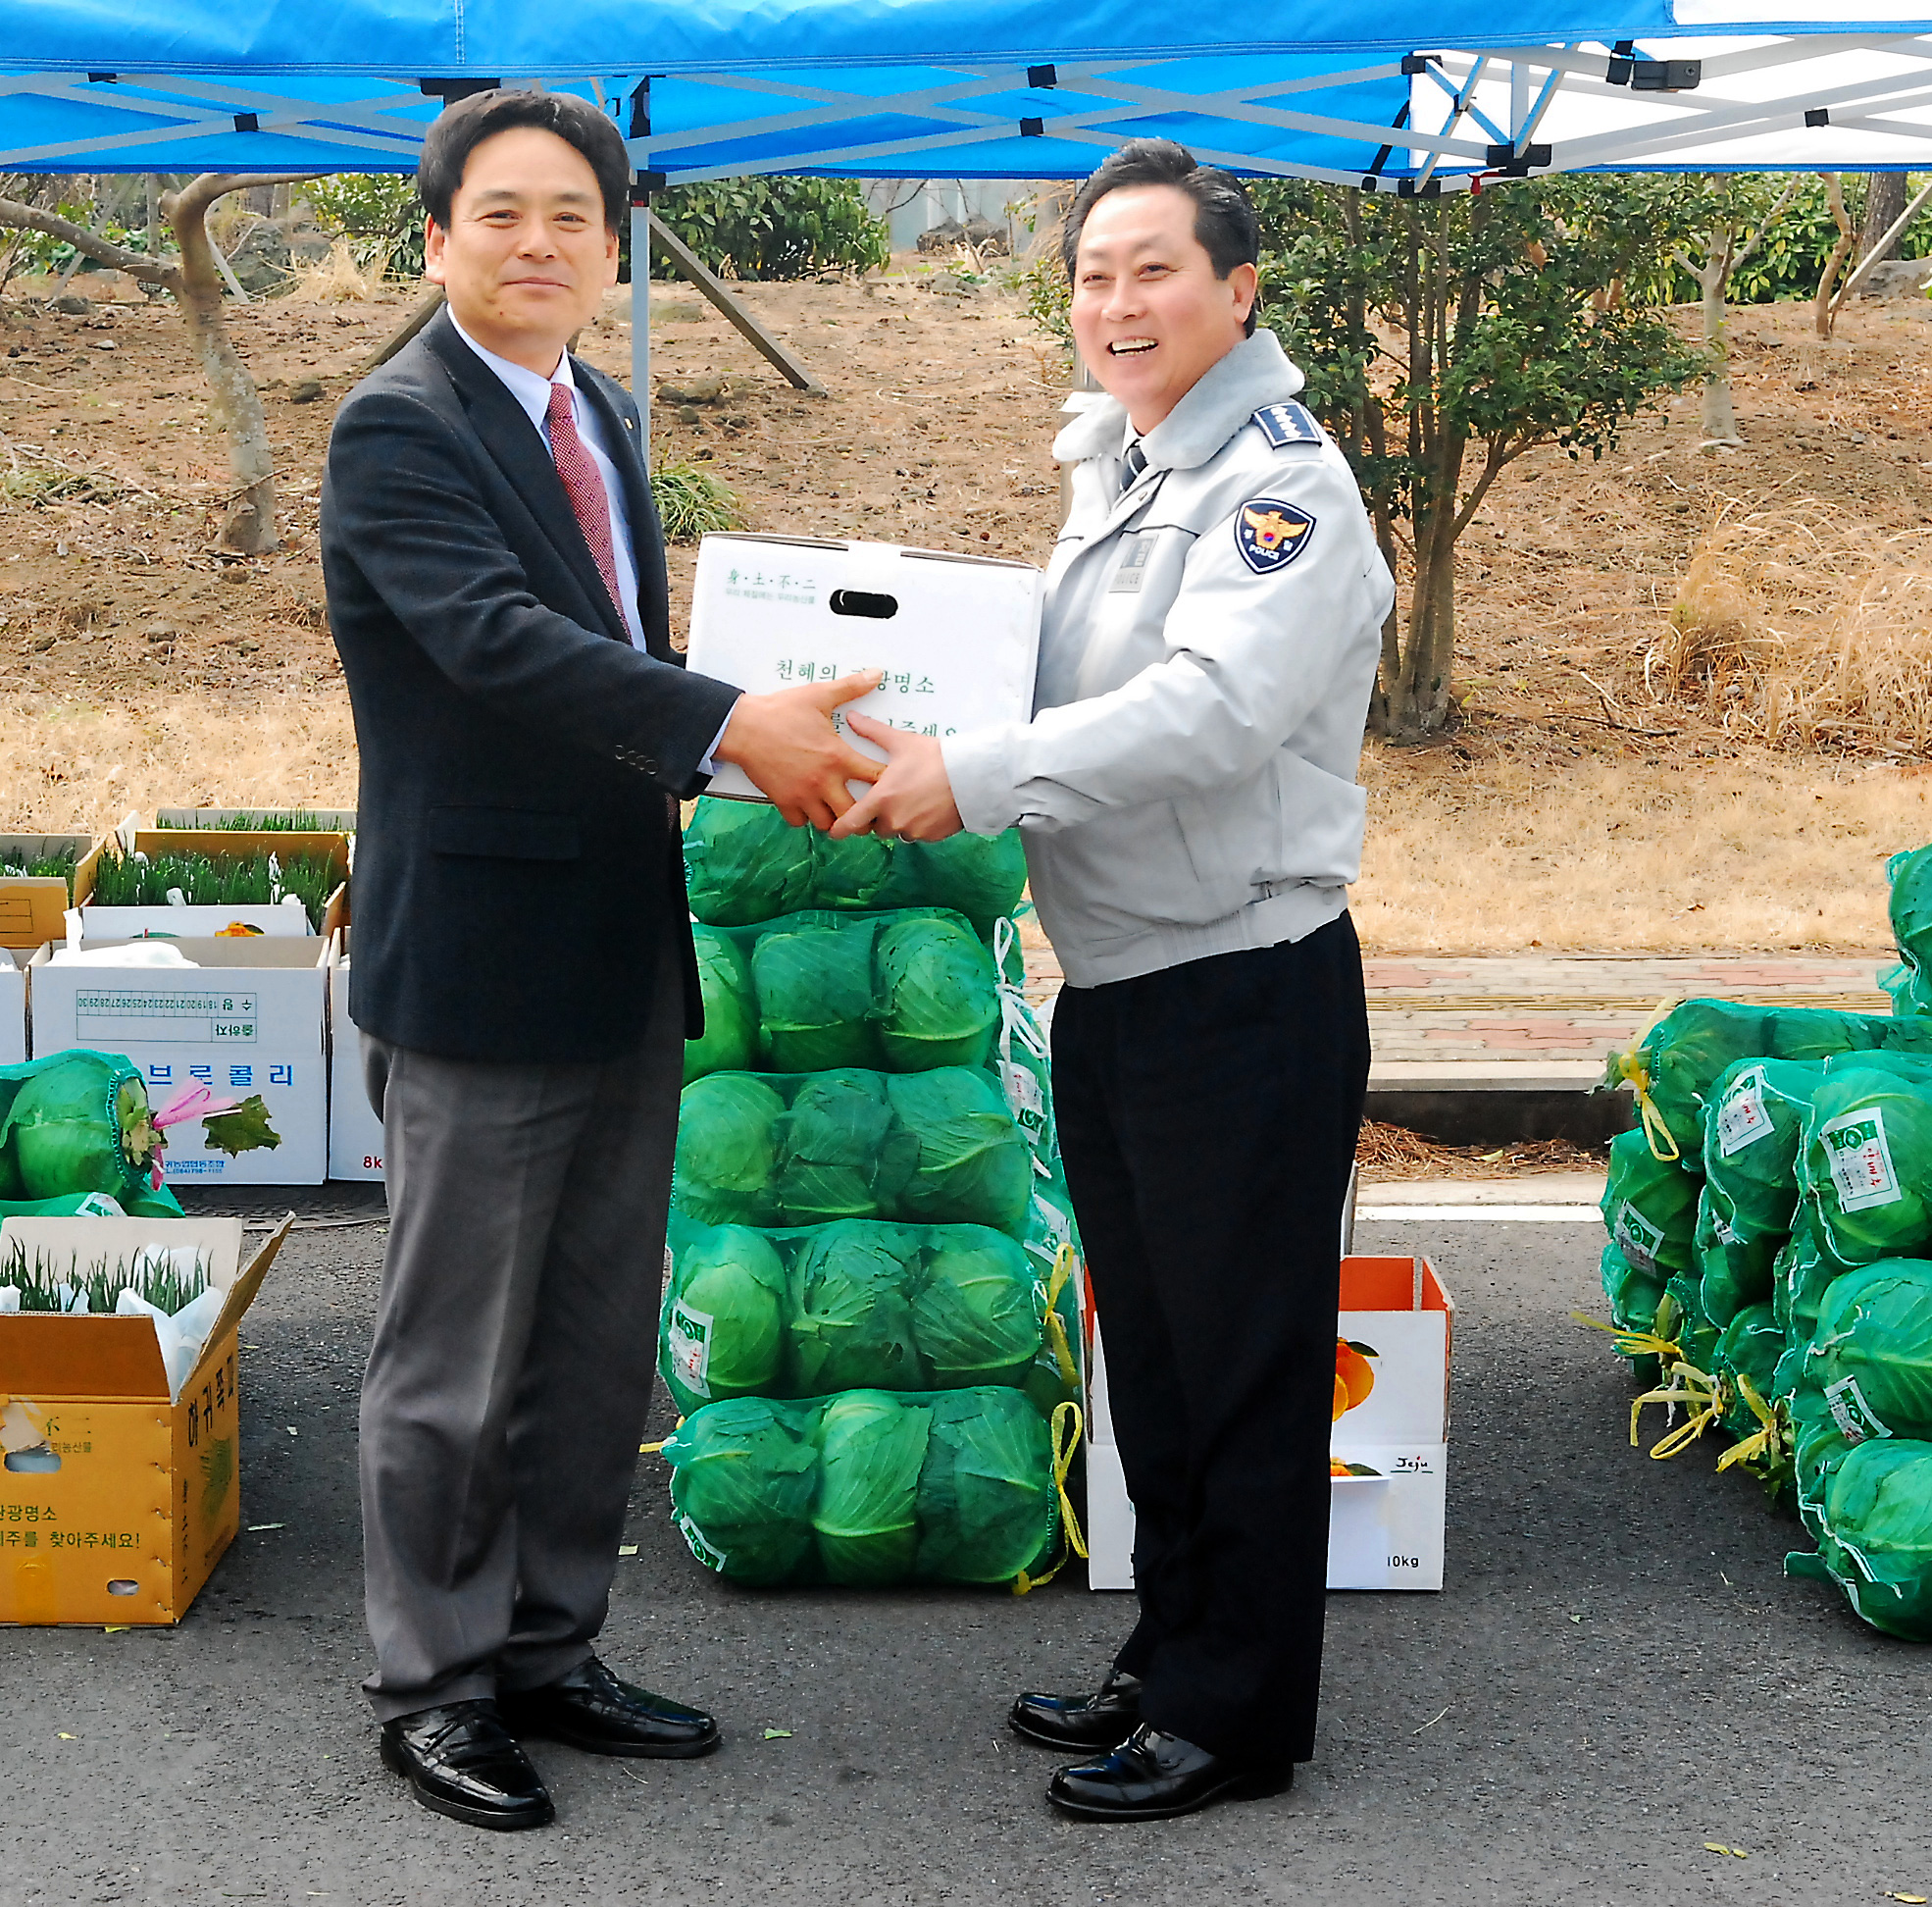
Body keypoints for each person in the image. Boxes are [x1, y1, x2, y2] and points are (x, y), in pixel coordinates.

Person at [319, 88, 878, 1833]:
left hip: (623, 942)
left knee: (587, 1337)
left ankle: (551, 1644)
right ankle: (432, 1683)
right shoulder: (397, 428)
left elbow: (623, 643)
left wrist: (770, 709)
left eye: (571, 214)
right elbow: (500, 645)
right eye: (501, 213)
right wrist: (735, 727)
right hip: (479, 959)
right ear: (437, 237)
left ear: (612, 242)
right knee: (450, 1359)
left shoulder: (600, 408)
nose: (539, 241)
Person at [832, 139, 1392, 1824]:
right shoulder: (1130, 462)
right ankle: (1176, 1643)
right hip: (1126, 980)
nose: (1116, 301)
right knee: (1148, 1351)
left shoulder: (1282, 489)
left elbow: (1211, 707)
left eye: (1152, 268)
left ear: (1239, 290)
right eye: (1091, 272)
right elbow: (1057, 676)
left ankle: (1237, 1712)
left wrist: (974, 771)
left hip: (1246, 983)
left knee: (1242, 1361)